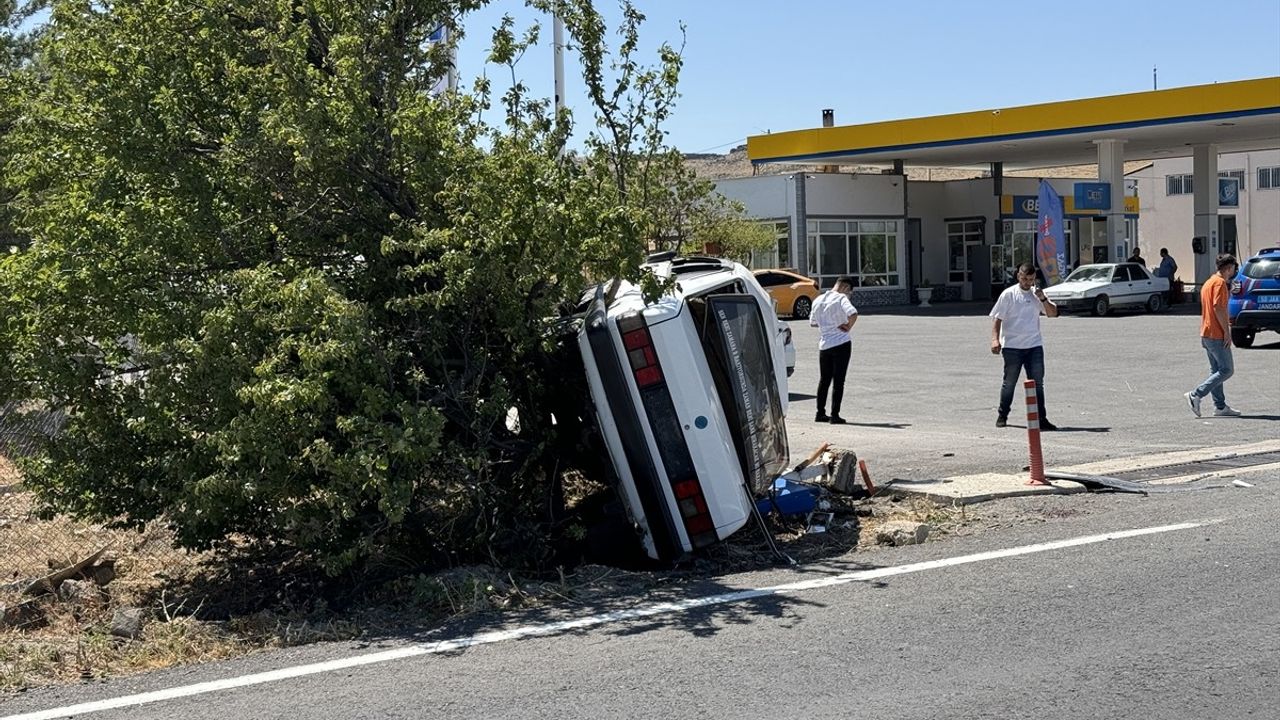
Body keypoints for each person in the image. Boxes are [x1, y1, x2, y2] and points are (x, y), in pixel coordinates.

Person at [990, 262, 1059, 430]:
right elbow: (997, 318)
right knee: (1009, 382)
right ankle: (1002, 415)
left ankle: (1041, 418)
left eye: (1031, 279)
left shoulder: (1037, 295)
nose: (1027, 282)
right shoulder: (1009, 294)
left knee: (1038, 383)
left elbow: (1052, 314)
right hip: (1012, 347)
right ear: (1018, 276)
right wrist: (995, 339)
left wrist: (1042, 297)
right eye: (1024, 278)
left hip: (1034, 346)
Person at [1184, 254, 1241, 418]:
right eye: (1233, 269)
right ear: (1229, 268)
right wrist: (1226, 332)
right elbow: (1218, 308)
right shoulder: (1220, 283)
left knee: (1216, 369)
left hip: (1206, 333)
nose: (1233, 272)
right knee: (1227, 370)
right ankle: (1196, 394)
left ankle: (1220, 406)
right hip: (1216, 334)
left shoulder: (1208, 282)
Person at [810, 276, 858, 424]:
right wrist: (848, 326)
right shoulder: (841, 299)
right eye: (849, 291)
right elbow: (853, 313)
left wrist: (827, 325)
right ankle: (835, 415)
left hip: (824, 344)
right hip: (841, 342)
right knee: (839, 380)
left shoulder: (818, 300)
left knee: (824, 380)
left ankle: (820, 413)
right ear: (844, 287)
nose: (848, 294)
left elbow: (812, 323)